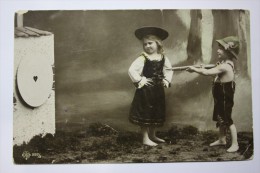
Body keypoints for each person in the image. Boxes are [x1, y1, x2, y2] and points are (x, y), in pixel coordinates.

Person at [186, 36, 240, 152]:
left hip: (225, 97)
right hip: (220, 97)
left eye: (221, 48)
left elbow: (207, 72)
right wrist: (203, 67)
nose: (217, 50)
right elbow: (213, 71)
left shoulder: (225, 66)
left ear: (228, 52)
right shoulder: (224, 63)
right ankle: (222, 139)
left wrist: (195, 69)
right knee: (220, 118)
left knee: (227, 120)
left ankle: (235, 144)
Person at [128, 27, 173, 146]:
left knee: (156, 112)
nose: (147, 46)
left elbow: (169, 70)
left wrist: (166, 80)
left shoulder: (163, 58)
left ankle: (153, 135)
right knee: (146, 112)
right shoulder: (142, 58)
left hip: (158, 90)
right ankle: (145, 138)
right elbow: (132, 70)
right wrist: (141, 79)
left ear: (158, 43)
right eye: (145, 44)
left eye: (150, 43)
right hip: (146, 91)